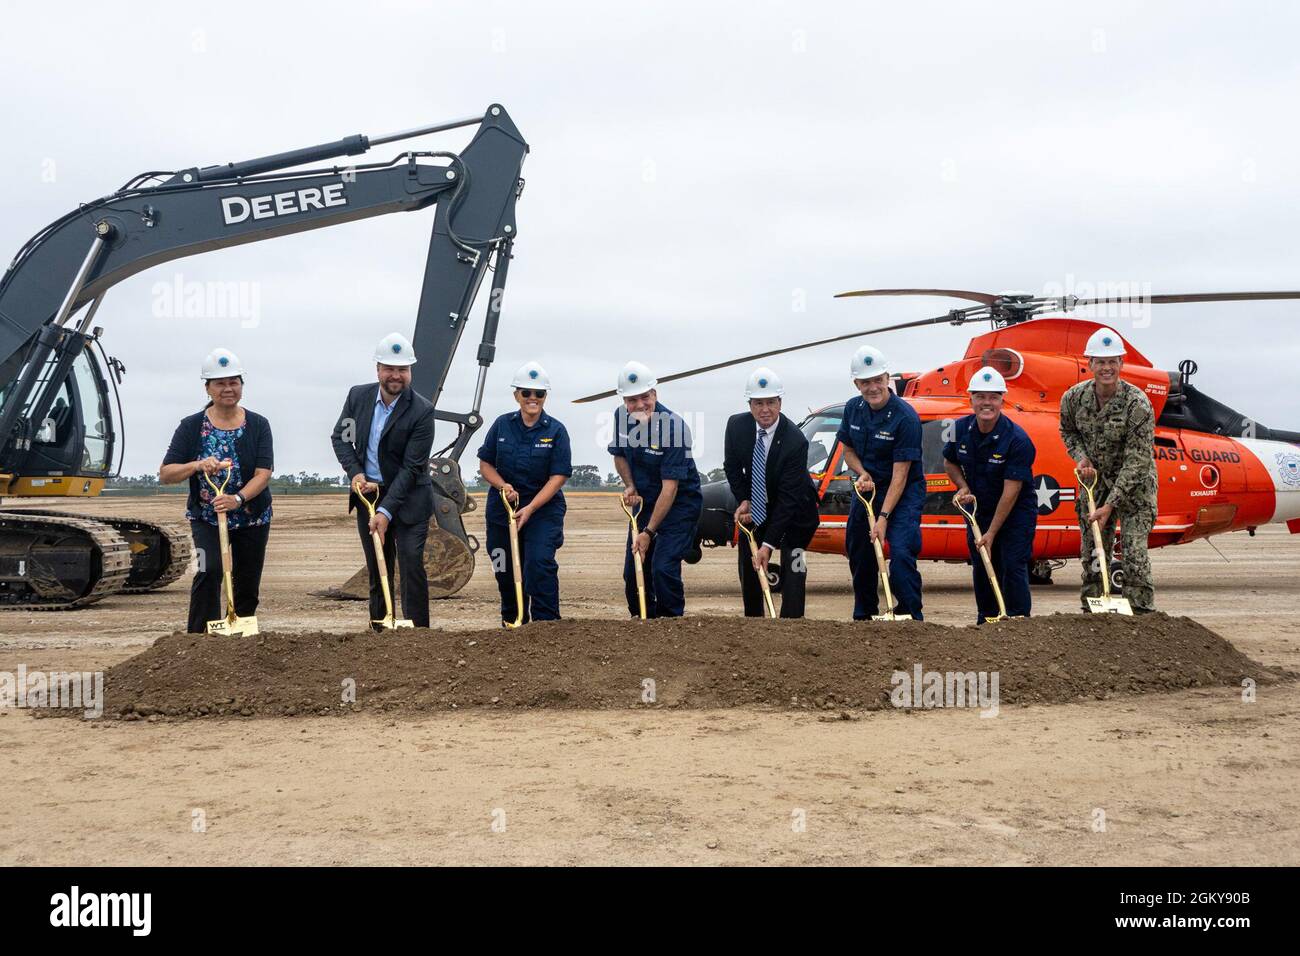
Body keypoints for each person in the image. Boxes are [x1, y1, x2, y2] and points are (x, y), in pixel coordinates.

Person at [160, 348, 273, 634]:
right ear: (207, 388)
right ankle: (199, 641)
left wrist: (237, 499)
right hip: (207, 518)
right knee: (208, 573)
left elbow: (264, 473)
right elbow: (166, 473)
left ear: (242, 386)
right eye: (220, 383)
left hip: (251, 516)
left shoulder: (259, 425)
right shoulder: (191, 427)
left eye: (234, 382)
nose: (228, 389)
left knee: (247, 583)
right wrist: (197, 465)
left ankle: (241, 640)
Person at [330, 332, 436, 629]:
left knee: (411, 563)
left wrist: (386, 511)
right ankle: (380, 629)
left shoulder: (422, 411)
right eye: (389, 368)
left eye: (402, 369)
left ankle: (417, 632)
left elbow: (412, 468)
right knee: (378, 567)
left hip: (410, 498)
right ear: (378, 369)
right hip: (369, 494)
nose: (395, 376)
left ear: (410, 372)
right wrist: (356, 473)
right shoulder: (357, 397)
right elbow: (341, 437)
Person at [1059, 326, 1158, 613]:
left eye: (1112, 361)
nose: (1106, 368)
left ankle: (1140, 615)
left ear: (1121, 364)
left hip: (1135, 486)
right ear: (1089, 364)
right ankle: (1093, 611)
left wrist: (1111, 504)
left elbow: (1137, 461)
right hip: (1095, 484)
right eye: (1100, 362)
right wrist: (1081, 457)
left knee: (1134, 551)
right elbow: (1067, 430)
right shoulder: (1073, 398)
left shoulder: (1137, 404)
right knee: (1093, 549)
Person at [476, 361, 573, 624]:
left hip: (543, 509)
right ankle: (513, 621)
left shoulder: (556, 430)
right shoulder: (501, 425)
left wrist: (530, 508)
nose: (532, 398)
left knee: (537, 563)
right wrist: (502, 486)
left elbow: (559, 476)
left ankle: (546, 625)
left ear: (545, 397)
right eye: (526, 392)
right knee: (504, 568)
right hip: (502, 508)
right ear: (516, 395)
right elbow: (486, 463)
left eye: (538, 393)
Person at [942, 366, 1038, 623]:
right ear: (970, 398)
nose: (987, 403)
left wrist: (992, 533)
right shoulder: (956, 429)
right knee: (982, 562)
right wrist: (962, 486)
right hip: (978, 509)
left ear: (1002, 400)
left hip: (1015, 511)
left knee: (1011, 564)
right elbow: (949, 462)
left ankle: (1018, 620)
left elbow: (1012, 490)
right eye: (981, 396)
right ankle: (986, 619)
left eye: (994, 397)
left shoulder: (1018, 439)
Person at [836, 345, 926, 620]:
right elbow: (847, 450)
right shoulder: (853, 409)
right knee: (860, 550)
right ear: (856, 384)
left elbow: (901, 475)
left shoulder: (905, 418)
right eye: (866, 382)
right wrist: (861, 472)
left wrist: (884, 517)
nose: (873, 387)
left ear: (887, 379)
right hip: (867, 491)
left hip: (903, 492)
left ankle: (911, 614)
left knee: (899, 552)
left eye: (877, 380)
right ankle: (864, 614)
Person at [607, 360, 703, 618]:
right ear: (624, 401)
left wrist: (648, 532)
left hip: (678, 507)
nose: (639, 405)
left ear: (655, 394)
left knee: (662, 568)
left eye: (644, 397)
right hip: (645, 503)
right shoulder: (620, 417)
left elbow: (670, 489)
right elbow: (619, 455)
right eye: (632, 400)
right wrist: (630, 485)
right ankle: (643, 622)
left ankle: (670, 624)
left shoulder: (675, 428)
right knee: (633, 572)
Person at [723, 366, 820, 617]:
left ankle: (792, 622)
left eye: (770, 402)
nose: (765, 409)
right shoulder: (736, 426)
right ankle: (754, 621)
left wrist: (768, 544)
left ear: (780, 403)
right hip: (757, 504)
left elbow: (788, 499)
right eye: (758, 403)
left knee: (794, 564)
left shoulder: (795, 441)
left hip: (797, 510)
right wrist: (744, 499)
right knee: (750, 561)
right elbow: (732, 468)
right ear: (750, 404)